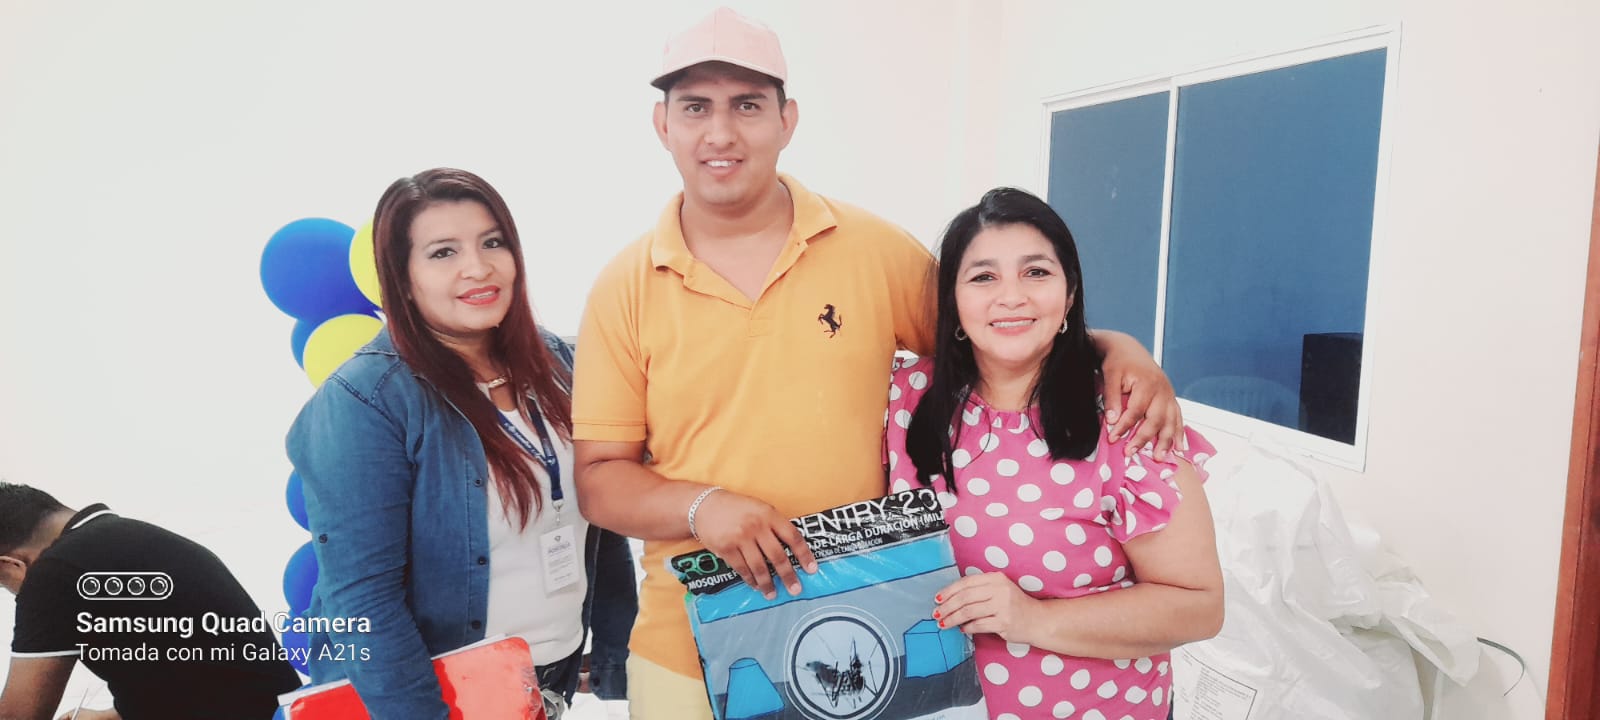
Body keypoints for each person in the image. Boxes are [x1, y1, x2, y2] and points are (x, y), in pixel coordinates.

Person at [571, 9, 1186, 718]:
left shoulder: (871, 249)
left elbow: (996, 331)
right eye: (695, 107)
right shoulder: (624, 287)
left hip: (870, 640)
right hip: (696, 649)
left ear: (787, 119)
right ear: (662, 124)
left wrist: (1116, 347)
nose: (720, 133)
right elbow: (600, 479)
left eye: (747, 105)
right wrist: (700, 505)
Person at [885, 188, 1224, 720]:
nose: (1011, 296)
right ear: (952, 302)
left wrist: (1034, 620)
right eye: (983, 277)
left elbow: (1199, 606)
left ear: (1068, 296)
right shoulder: (904, 399)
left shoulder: (1126, 421)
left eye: (1036, 272)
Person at [287, 168, 588, 719]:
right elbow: (363, 602)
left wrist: (607, 648)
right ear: (401, 279)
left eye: (492, 242)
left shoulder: (556, 363)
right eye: (443, 252)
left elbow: (591, 508)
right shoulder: (366, 399)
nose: (478, 267)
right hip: (434, 697)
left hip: (542, 680)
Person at [0, 483, 300, 720]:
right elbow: (195, 671)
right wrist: (114, 715)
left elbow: (19, 716)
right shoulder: (135, 538)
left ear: (9, 564)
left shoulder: (54, 572)